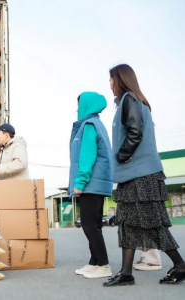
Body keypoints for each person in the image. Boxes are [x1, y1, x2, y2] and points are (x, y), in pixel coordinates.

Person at [104, 64, 185, 287]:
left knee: (153, 224)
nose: (109, 84)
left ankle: (180, 265)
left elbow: (134, 132)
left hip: (143, 175)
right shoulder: (131, 101)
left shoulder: (130, 99)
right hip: (132, 176)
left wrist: (121, 156)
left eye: (111, 79)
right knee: (127, 225)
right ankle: (126, 273)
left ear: (120, 79)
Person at [68, 92, 114, 279]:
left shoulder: (89, 126)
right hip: (96, 183)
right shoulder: (95, 124)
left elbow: (87, 156)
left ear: (87, 105)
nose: (77, 109)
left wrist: (80, 181)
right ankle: (94, 262)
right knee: (94, 224)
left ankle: (103, 264)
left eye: (80, 105)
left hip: (91, 183)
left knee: (89, 225)